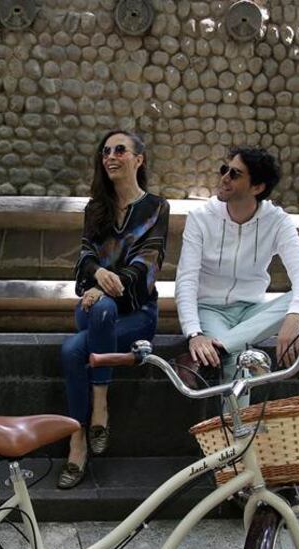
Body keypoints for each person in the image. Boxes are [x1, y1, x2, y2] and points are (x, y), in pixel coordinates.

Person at [58, 130, 170, 489]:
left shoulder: (156, 208)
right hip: (93, 311)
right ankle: (100, 410)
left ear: (139, 159)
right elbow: (85, 257)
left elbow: (146, 267)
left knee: (73, 350)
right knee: (101, 308)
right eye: (105, 151)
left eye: (120, 150)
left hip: (137, 317)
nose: (111, 156)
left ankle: (77, 440)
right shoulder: (96, 209)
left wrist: (101, 285)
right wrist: (98, 277)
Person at [175, 146, 299, 394]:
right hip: (210, 311)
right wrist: (194, 334)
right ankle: (239, 431)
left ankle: (215, 350)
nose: (224, 178)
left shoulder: (277, 221)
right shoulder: (201, 217)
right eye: (225, 169)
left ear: (257, 187)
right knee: (239, 363)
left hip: (252, 312)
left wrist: (294, 317)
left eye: (235, 174)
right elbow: (186, 279)